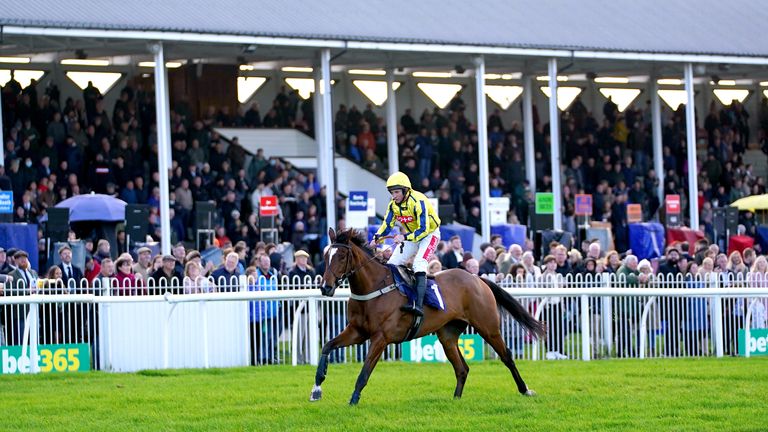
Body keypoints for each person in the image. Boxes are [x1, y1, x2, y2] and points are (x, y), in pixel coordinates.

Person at [371, 171, 441, 316]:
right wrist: (377, 237)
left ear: (406, 190)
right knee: (392, 263)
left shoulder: (418, 201)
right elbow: (387, 225)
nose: (394, 195)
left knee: (419, 264)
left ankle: (419, 306)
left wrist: (404, 237)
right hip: (411, 237)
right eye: (392, 192)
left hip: (429, 234)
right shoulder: (393, 205)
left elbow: (423, 229)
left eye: (396, 192)